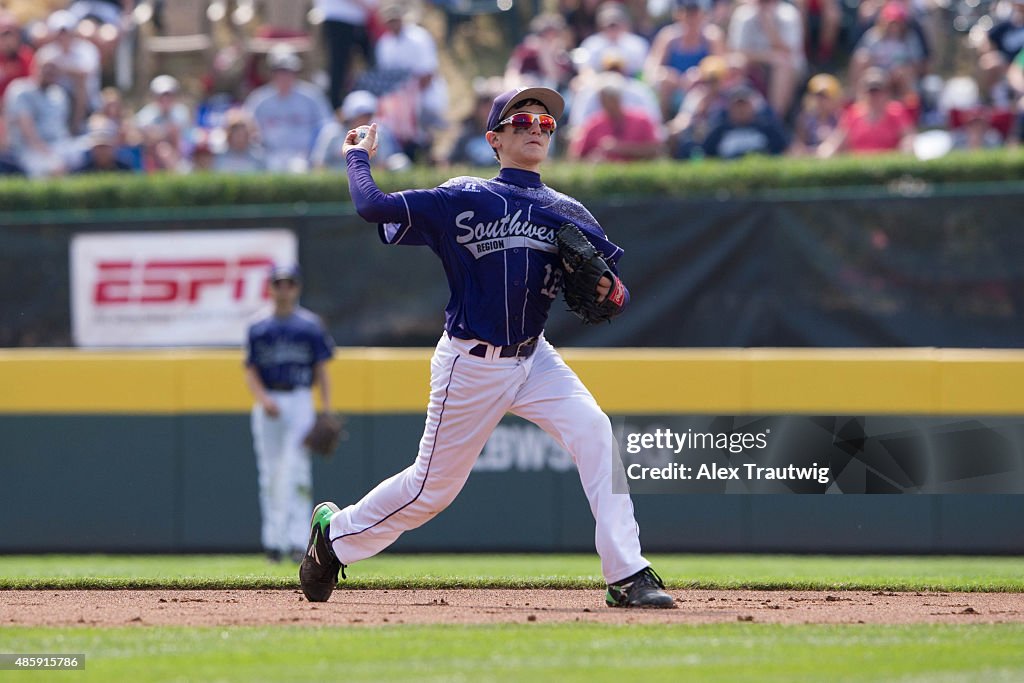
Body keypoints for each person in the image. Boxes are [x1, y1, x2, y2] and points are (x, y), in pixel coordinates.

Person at [298, 85, 675, 610]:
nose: (536, 129)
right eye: (522, 121)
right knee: (431, 491)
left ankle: (627, 573)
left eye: (546, 124)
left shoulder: (567, 210)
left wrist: (614, 291)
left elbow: (614, 287)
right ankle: (333, 536)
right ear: (494, 139)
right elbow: (373, 207)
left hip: (535, 356)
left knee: (594, 429)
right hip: (471, 361)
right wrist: (357, 156)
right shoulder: (463, 196)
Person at [245, 264, 335, 564]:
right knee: (270, 473)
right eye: (279, 284)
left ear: (297, 288)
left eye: (289, 284)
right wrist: (263, 398)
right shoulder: (258, 326)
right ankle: (273, 541)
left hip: (299, 399)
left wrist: (326, 411)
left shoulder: (310, 326)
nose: (284, 290)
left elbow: (322, 370)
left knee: (297, 470)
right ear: (270, 288)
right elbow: (251, 369)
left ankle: (298, 540)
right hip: (269, 400)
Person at [243, 45, 332, 173]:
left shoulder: (312, 96)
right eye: (279, 71)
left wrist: (316, 154)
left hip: (304, 157)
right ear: (272, 73)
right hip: (268, 157)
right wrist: (259, 150)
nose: (284, 76)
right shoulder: (259, 99)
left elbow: (327, 126)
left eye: (288, 71)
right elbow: (247, 126)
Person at [568, 73, 664, 161]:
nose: (607, 103)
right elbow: (576, 156)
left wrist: (620, 148)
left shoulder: (642, 120)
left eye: (611, 98)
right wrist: (593, 158)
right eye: (604, 98)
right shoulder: (594, 124)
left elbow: (656, 150)